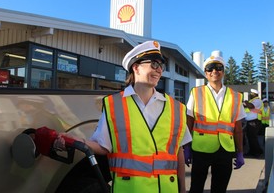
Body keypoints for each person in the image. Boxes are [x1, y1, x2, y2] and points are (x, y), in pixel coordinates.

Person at [55, 40, 192, 193]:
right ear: (136, 67)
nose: (159, 69)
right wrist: (76, 140)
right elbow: (103, 146)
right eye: (154, 64)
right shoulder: (115, 105)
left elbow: (178, 151)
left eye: (161, 65)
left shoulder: (176, 108)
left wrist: (183, 189)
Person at [185, 55, 246, 193]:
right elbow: (189, 121)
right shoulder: (196, 93)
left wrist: (240, 152)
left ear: (223, 71)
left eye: (218, 68)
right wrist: (186, 147)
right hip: (201, 149)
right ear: (205, 73)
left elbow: (238, 128)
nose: (214, 71)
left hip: (225, 150)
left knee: (220, 189)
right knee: (196, 188)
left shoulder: (235, 96)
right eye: (210, 68)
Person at [243, 89, 264, 157]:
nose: (250, 94)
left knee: (252, 137)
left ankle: (256, 152)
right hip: (251, 122)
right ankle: (254, 151)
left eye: (251, 93)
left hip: (254, 122)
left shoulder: (257, 100)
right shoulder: (253, 101)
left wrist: (246, 102)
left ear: (255, 94)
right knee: (250, 137)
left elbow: (251, 106)